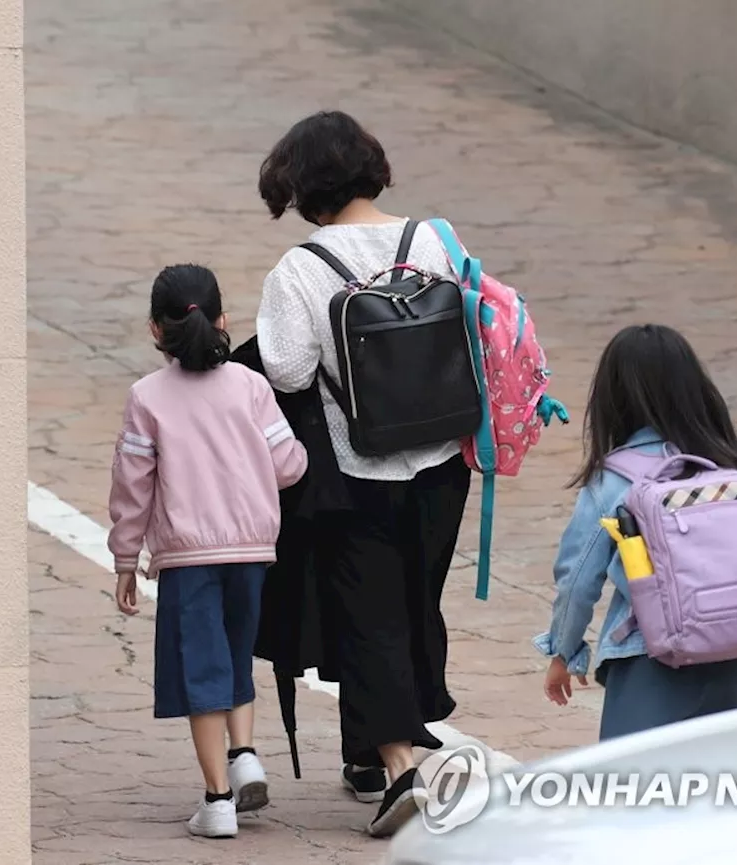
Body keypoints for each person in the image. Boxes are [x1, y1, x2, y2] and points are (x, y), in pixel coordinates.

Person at [255, 110, 471, 837]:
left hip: (359, 467)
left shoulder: (302, 268)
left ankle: (400, 764)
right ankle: (369, 752)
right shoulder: (435, 239)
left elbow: (285, 367)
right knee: (416, 600)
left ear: (302, 186)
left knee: (369, 613)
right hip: (444, 459)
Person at [537, 324, 737, 740]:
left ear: (614, 396)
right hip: (731, 648)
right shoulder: (731, 465)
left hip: (649, 652)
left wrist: (564, 650)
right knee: (699, 774)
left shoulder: (613, 481)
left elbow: (577, 581)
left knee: (628, 785)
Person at [107, 263, 309, 838]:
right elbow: (288, 465)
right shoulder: (251, 386)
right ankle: (244, 752)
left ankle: (217, 798)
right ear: (223, 321)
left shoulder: (146, 397)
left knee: (202, 671)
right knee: (237, 653)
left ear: (155, 329)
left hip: (186, 557)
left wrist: (126, 558)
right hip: (252, 550)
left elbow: (133, 485)